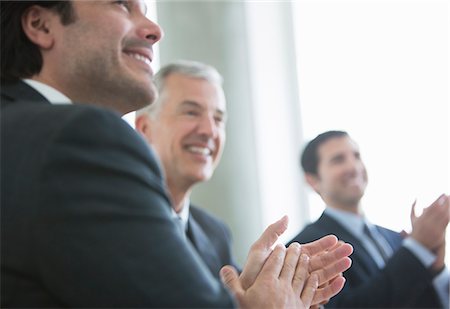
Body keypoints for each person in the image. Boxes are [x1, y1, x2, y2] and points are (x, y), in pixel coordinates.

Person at [0, 1, 353, 307]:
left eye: (219, 118)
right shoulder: (79, 137)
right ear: (41, 24)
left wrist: (239, 297)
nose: (154, 30)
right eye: (122, 4)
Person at [288, 130, 450, 308]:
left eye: (356, 156)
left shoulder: (397, 239)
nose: (354, 166)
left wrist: (437, 269)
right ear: (313, 180)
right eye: (338, 159)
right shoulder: (304, 249)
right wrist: (416, 250)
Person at [135, 60, 238, 278]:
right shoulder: (115, 221)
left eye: (218, 119)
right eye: (191, 112)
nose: (210, 130)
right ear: (145, 129)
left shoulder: (215, 233)